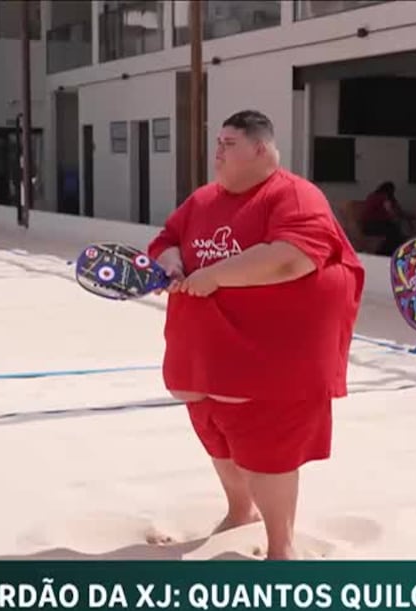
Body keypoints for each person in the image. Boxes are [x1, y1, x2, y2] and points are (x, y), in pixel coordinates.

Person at [145, 110, 365, 560]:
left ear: (260, 149)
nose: (218, 152)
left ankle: (280, 546)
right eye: (218, 142)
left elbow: (293, 257)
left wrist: (214, 276)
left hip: (268, 363)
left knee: (269, 453)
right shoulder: (203, 199)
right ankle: (238, 511)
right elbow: (167, 238)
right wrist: (171, 261)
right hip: (206, 360)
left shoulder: (295, 196)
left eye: (228, 143)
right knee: (217, 435)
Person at [360, 181, 411, 255]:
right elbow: (391, 211)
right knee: (394, 231)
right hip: (376, 225)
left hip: (366, 226)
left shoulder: (372, 196)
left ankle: (389, 250)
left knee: (394, 230)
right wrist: (404, 216)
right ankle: (387, 252)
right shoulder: (384, 198)